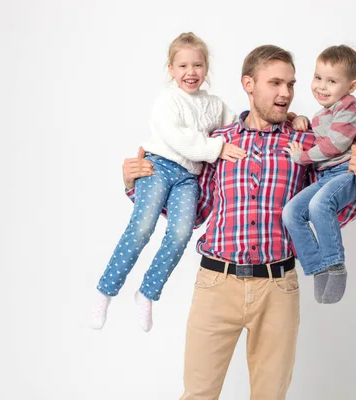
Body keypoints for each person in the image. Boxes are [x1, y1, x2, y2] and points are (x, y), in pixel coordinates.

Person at [122, 44, 356, 399]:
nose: (286, 93)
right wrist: (137, 185)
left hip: (278, 289)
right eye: (275, 83)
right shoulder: (217, 143)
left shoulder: (305, 144)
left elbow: (324, 210)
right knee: (198, 394)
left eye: (290, 84)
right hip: (216, 284)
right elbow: (196, 212)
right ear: (249, 84)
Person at [88, 32, 246, 332]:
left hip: (188, 177)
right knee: (143, 226)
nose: (191, 72)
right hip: (157, 167)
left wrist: (290, 118)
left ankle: (147, 292)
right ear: (171, 69)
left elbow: (239, 125)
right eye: (183, 66)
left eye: (197, 65)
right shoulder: (167, 100)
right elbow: (177, 137)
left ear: (206, 68)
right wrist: (217, 148)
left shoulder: (214, 104)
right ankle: (105, 292)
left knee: (180, 232)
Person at [282, 45, 356, 304]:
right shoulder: (322, 113)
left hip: (347, 173)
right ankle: (317, 268)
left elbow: (334, 145)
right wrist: (301, 119)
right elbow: (317, 134)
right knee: (291, 212)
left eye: (332, 81)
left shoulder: (349, 108)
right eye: (318, 78)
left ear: (351, 86)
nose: (321, 86)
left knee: (320, 204)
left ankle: (335, 265)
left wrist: (301, 156)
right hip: (326, 176)